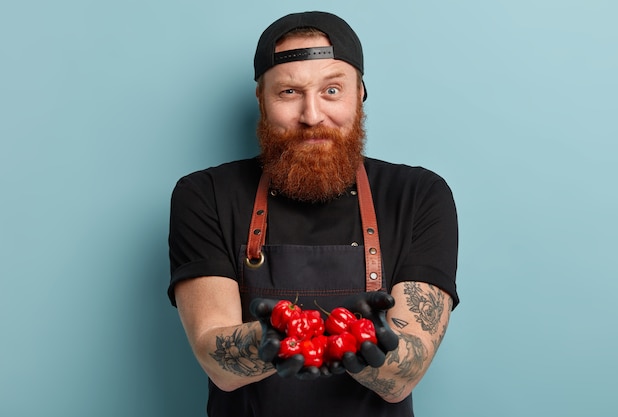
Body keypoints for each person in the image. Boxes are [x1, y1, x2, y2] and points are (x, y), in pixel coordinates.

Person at [168, 11, 459, 417]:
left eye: (332, 90)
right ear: (261, 99)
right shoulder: (204, 195)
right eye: (288, 93)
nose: (312, 115)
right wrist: (275, 337)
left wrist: (363, 341)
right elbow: (218, 364)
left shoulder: (419, 196)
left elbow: (404, 378)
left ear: (360, 93)